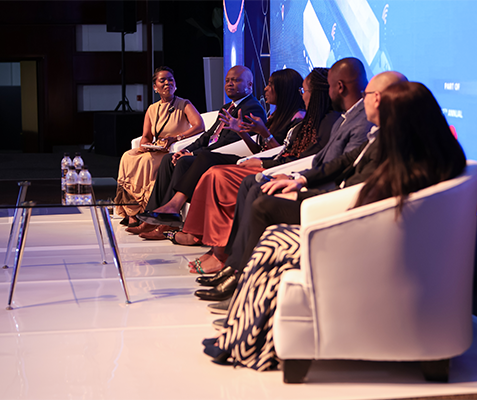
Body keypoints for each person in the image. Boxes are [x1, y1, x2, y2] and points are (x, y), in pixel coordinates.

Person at [204, 80, 467, 371]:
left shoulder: (406, 160)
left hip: (364, 244)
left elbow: (365, 203)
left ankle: (242, 336)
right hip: (369, 236)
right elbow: (352, 173)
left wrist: (304, 197)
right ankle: (240, 329)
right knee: (274, 238)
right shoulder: (439, 153)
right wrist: (302, 183)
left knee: (274, 242)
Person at [193, 64, 389, 302]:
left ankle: (241, 277)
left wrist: (298, 182)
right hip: (313, 183)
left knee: (259, 197)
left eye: (369, 93)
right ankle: (235, 267)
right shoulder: (349, 120)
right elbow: (335, 161)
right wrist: (298, 178)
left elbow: (342, 172)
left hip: (334, 200)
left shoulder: (362, 125)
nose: (365, 97)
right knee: (252, 186)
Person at [171, 68, 339, 275]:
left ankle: (220, 252)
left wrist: (263, 159)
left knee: (216, 173)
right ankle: (211, 244)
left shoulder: (307, 118)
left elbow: (296, 156)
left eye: (304, 90)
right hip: (272, 162)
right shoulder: (288, 117)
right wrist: (246, 136)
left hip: (280, 168)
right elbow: (275, 150)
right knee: (211, 172)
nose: (265, 89)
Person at [135, 68, 306, 238]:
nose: (266, 89)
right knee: (170, 159)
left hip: (265, 164)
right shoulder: (267, 114)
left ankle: (170, 217)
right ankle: (155, 216)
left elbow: (279, 152)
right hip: (253, 157)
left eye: (236, 80)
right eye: (227, 80)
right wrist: (187, 150)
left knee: (196, 159)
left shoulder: (258, 109)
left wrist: (262, 134)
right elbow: (209, 136)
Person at [114, 66, 204, 226]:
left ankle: (144, 209)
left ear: (175, 84)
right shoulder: (152, 109)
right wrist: (145, 144)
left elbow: (199, 126)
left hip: (172, 148)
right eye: (162, 80)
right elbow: (146, 135)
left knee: (146, 162)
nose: (167, 83)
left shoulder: (184, 104)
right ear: (155, 87)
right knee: (127, 156)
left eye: (170, 80)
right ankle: (131, 210)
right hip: (157, 147)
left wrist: (177, 138)